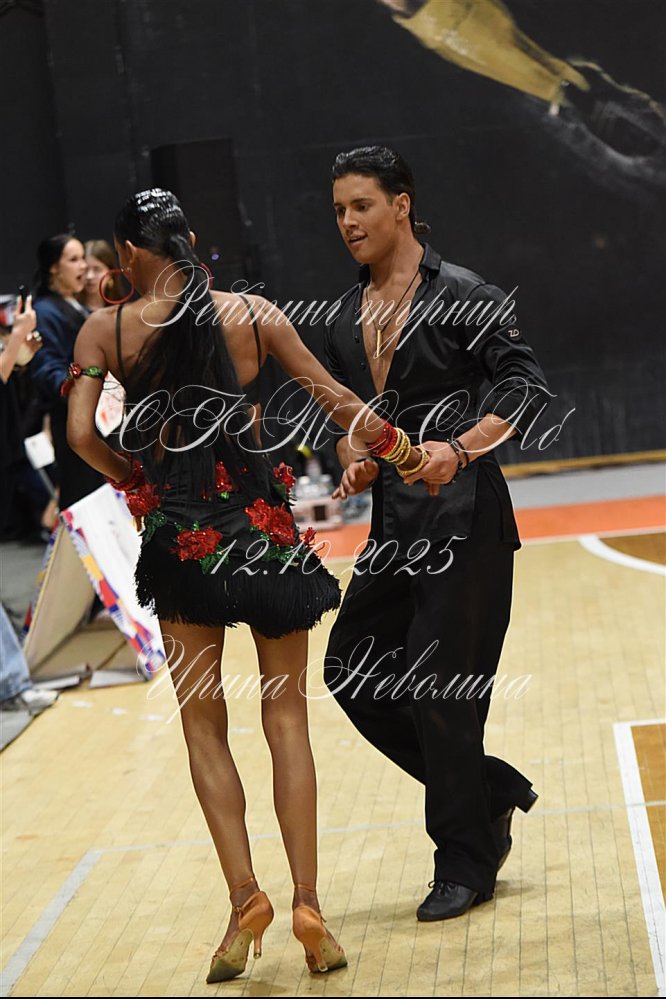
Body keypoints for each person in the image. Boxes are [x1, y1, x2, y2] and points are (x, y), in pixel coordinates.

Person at [65, 188, 426, 982]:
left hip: (180, 543)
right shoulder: (254, 314)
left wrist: (135, 476)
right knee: (286, 718)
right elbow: (335, 397)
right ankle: (308, 904)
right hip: (263, 536)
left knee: (204, 727)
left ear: (129, 255)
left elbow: (81, 433)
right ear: (191, 239)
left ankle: (244, 897)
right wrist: (406, 452)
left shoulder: (105, 330)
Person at [322, 145, 550, 921]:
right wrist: (353, 457)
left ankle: (464, 861)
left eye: (361, 205)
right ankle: (488, 789)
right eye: (339, 210)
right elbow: (354, 423)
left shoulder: (464, 294)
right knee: (350, 668)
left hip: (465, 520)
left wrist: (459, 448)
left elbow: (524, 386)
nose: (348, 221)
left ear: (402, 204)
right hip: (394, 526)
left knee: (441, 690)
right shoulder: (344, 315)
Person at [30, 235, 104, 510]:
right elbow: (47, 370)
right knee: (83, 504)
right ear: (54, 268)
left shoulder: (74, 305)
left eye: (83, 258)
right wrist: (89, 384)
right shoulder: (44, 311)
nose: (83, 266)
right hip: (75, 420)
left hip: (96, 419)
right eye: (74, 260)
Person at [80, 240, 123, 312]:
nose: (89, 276)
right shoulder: (71, 307)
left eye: (97, 269)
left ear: (110, 273)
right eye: (85, 269)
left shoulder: (121, 310)